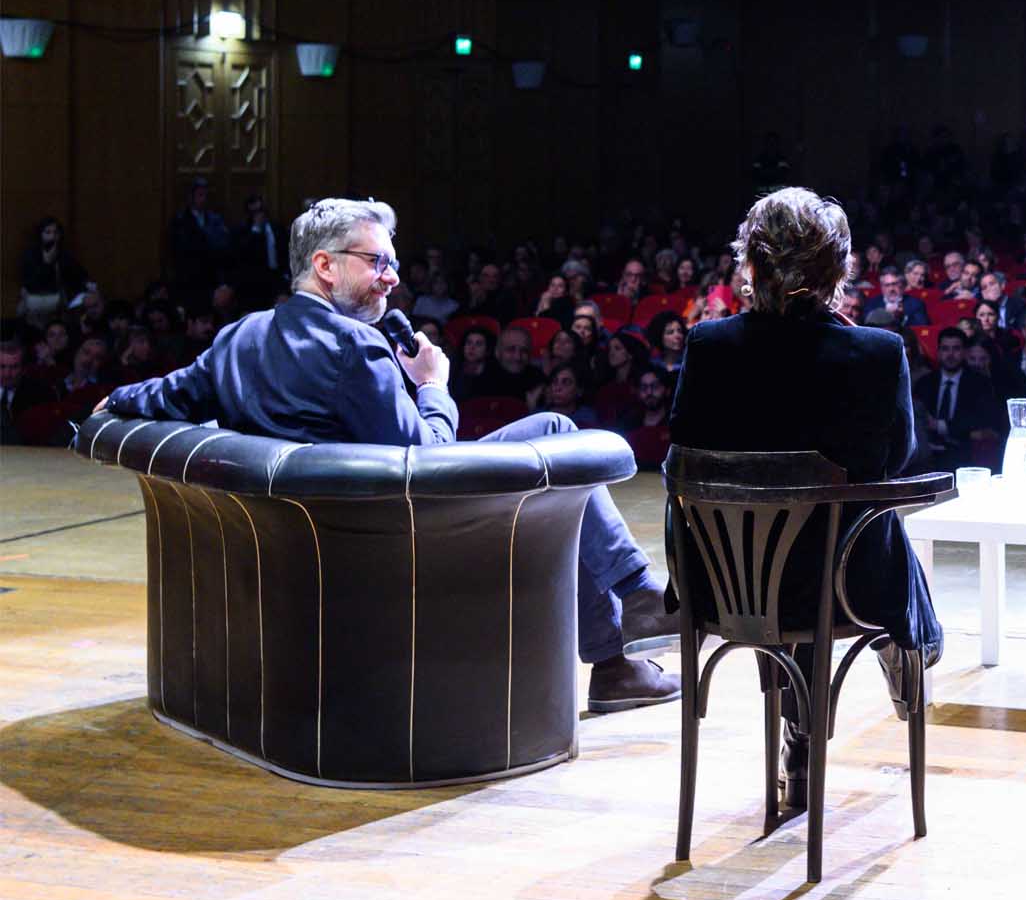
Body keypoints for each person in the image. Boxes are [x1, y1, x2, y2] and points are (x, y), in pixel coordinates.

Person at [97, 197, 682, 713]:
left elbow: (165, 395)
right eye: (377, 262)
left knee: (550, 432)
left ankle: (621, 644)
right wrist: (431, 384)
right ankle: (629, 616)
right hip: (403, 544)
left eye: (393, 265)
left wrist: (110, 402)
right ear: (324, 266)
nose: (391, 279)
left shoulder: (238, 338)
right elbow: (432, 462)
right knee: (556, 429)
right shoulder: (355, 346)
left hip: (318, 547)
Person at [666, 187, 942, 813]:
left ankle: (802, 736)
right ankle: (912, 641)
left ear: (751, 267)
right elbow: (892, 462)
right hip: (844, 586)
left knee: (801, 530)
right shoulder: (875, 353)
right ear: (838, 272)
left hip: (725, 583)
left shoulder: (710, 346)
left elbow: (685, 454)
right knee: (853, 522)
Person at [914, 326, 998, 471]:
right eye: (945, 349)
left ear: (965, 352)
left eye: (956, 349)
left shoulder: (980, 383)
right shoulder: (924, 382)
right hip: (927, 451)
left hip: (964, 453)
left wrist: (940, 426)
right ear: (938, 352)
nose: (950, 355)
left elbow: (979, 420)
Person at [860, 267, 930, 328]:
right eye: (887, 285)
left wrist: (903, 317)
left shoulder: (916, 304)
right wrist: (884, 315)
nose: (891, 289)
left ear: (902, 285)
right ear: (881, 287)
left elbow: (922, 327)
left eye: (894, 284)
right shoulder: (872, 303)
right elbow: (866, 325)